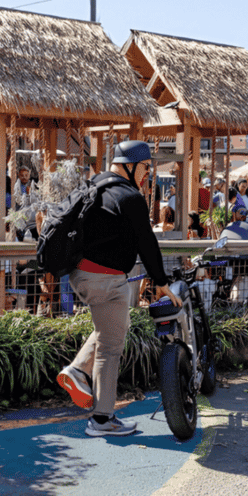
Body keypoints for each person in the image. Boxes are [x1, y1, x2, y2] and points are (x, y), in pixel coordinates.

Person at [55, 141, 181, 436]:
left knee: (114, 327)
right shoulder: (130, 197)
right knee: (110, 349)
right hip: (107, 280)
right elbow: (147, 244)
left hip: (79, 275)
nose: (147, 174)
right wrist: (161, 283)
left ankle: (77, 371)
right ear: (131, 166)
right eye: (146, 168)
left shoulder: (93, 186)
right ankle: (102, 420)